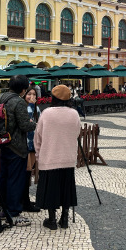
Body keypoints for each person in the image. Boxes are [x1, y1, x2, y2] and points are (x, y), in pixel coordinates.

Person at [34, 85, 81, 230]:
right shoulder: (74, 114)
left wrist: (38, 154)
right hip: (67, 158)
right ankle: (65, 218)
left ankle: (52, 220)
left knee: (51, 189)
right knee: (66, 188)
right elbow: (77, 132)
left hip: (49, 157)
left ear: (53, 98)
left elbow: (38, 136)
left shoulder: (47, 113)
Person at [0, 75, 36, 225]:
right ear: (24, 89)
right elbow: (25, 125)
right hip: (16, 146)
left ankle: (3, 208)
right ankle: (13, 212)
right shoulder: (18, 102)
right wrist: (34, 123)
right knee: (15, 180)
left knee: (4, 178)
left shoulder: (3, 98)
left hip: (4, 143)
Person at [22, 87, 41, 213]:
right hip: (25, 145)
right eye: (29, 94)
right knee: (25, 173)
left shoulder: (36, 109)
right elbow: (27, 122)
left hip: (33, 145)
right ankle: (24, 202)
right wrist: (30, 105)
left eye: (34, 94)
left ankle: (25, 200)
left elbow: (39, 123)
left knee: (28, 174)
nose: (32, 96)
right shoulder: (25, 108)